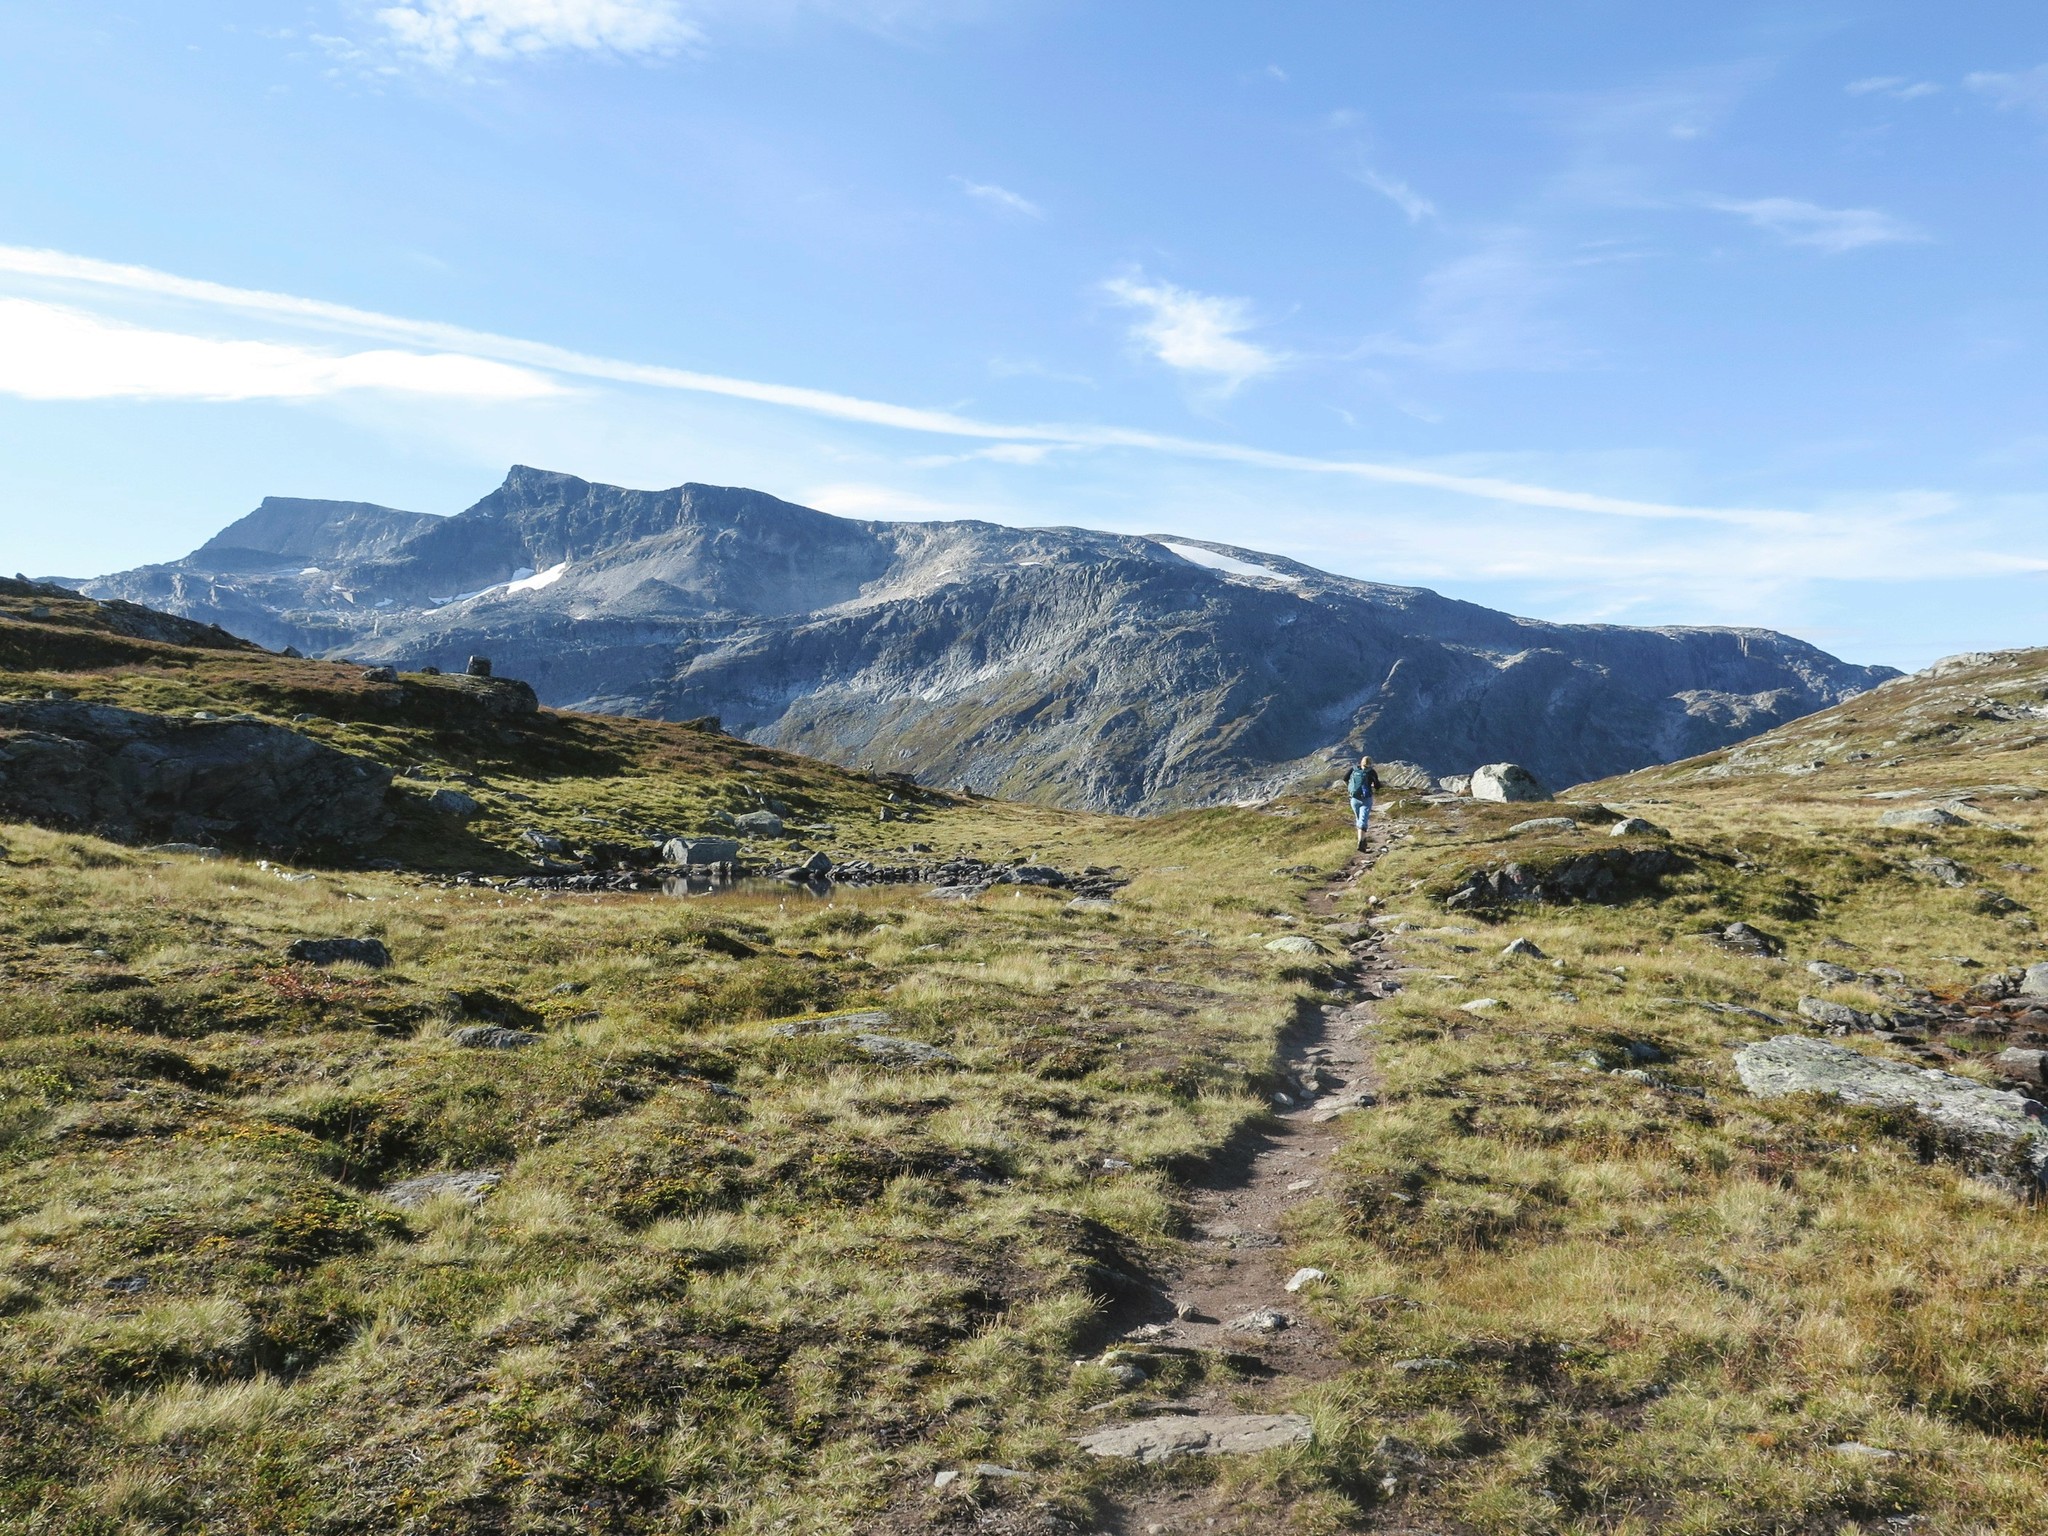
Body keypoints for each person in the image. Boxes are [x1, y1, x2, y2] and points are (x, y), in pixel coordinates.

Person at [1346, 754, 1381, 851]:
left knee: (1359, 819)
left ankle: (1363, 841)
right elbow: (1377, 786)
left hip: (1354, 798)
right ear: (1370, 763)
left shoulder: (1353, 769)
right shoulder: (1371, 772)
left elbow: (1345, 778)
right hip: (1366, 799)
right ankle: (1361, 842)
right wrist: (1373, 784)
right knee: (1363, 820)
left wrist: (1351, 789)